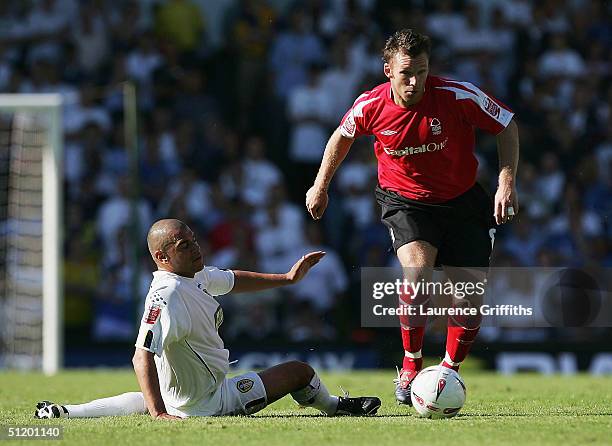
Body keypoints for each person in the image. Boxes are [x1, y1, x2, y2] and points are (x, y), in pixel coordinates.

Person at [305, 29, 519, 405]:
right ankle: (410, 364)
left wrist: (506, 182)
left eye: (421, 71)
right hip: (406, 201)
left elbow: (506, 125)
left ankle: (448, 372)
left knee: (467, 298)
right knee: (417, 272)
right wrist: (320, 186)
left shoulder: (457, 95)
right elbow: (341, 136)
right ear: (388, 70)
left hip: (464, 202)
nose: (415, 81)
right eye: (406, 72)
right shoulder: (370, 105)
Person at [35, 219, 380, 419]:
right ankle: (334, 406)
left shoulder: (194, 274)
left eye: (194, 240)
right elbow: (141, 356)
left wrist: (287, 279)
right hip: (206, 405)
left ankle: (64, 412)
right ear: (162, 256)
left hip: (204, 389)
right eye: (184, 245)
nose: (196, 248)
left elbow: (232, 279)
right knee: (300, 372)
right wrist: (159, 416)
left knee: (137, 401)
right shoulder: (166, 295)